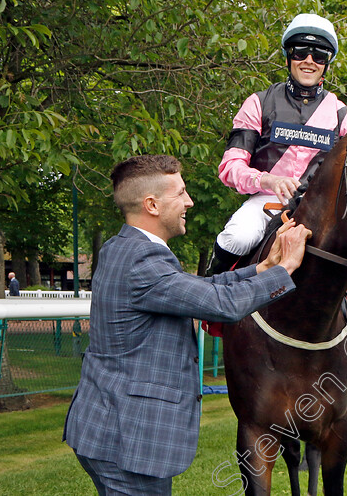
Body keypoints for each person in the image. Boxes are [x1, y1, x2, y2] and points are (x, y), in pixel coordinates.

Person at [63, 155, 311, 495]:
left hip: (106, 429)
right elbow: (223, 305)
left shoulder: (124, 247)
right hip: (126, 439)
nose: (189, 202)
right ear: (152, 204)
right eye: (180, 193)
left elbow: (199, 290)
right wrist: (287, 268)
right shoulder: (143, 260)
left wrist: (263, 267)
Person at [208, 13, 347, 274]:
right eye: (301, 53)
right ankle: (209, 301)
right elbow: (230, 167)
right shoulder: (258, 103)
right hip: (266, 201)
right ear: (288, 57)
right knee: (237, 238)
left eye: (319, 55)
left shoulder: (343, 115)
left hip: (320, 209)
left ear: (327, 63)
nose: (309, 61)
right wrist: (269, 181)